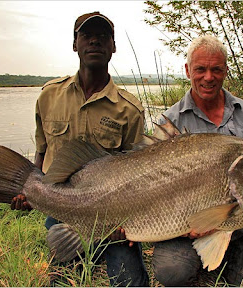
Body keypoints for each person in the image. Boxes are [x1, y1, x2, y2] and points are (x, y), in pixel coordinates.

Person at [11, 11, 149, 287]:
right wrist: (27, 191)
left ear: (113, 47)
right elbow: (41, 153)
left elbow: (138, 173)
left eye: (102, 37)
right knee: (61, 281)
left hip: (113, 215)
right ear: (75, 44)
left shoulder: (130, 109)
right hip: (63, 208)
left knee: (131, 282)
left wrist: (127, 222)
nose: (94, 42)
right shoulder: (49, 95)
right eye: (86, 36)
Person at [154, 35, 243, 287]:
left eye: (216, 69)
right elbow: (155, 187)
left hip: (241, 229)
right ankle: (204, 267)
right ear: (188, 70)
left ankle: (224, 262)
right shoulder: (170, 121)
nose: (208, 77)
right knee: (171, 271)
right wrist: (193, 225)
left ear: (225, 71)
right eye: (200, 69)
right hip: (183, 231)